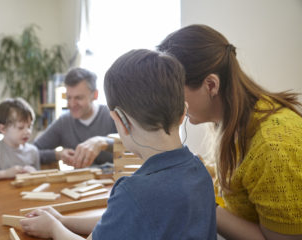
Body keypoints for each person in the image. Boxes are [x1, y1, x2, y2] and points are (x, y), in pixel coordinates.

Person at [20, 49, 217, 240]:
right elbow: (121, 220)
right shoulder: (200, 172)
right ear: (183, 113)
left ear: (120, 121)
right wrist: (63, 220)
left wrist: (54, 228)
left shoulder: (133, 192)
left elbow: (128, 211)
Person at [158, 24, 302, 240]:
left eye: (175, 94)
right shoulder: (230, 117)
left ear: (211, 85)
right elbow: (240, 180)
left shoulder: (273, 147)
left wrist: (201, 202)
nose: (171, 105)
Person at [34, 67, 117, 168]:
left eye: (78, 98)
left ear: (95, 95)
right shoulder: (63, 122)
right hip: (82, 182)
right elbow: (31, 151)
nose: (72, 104)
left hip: (116, 181)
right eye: (69, 98)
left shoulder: (113, 115)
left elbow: (134, 146)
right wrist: (57, 154)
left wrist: (102, 142)